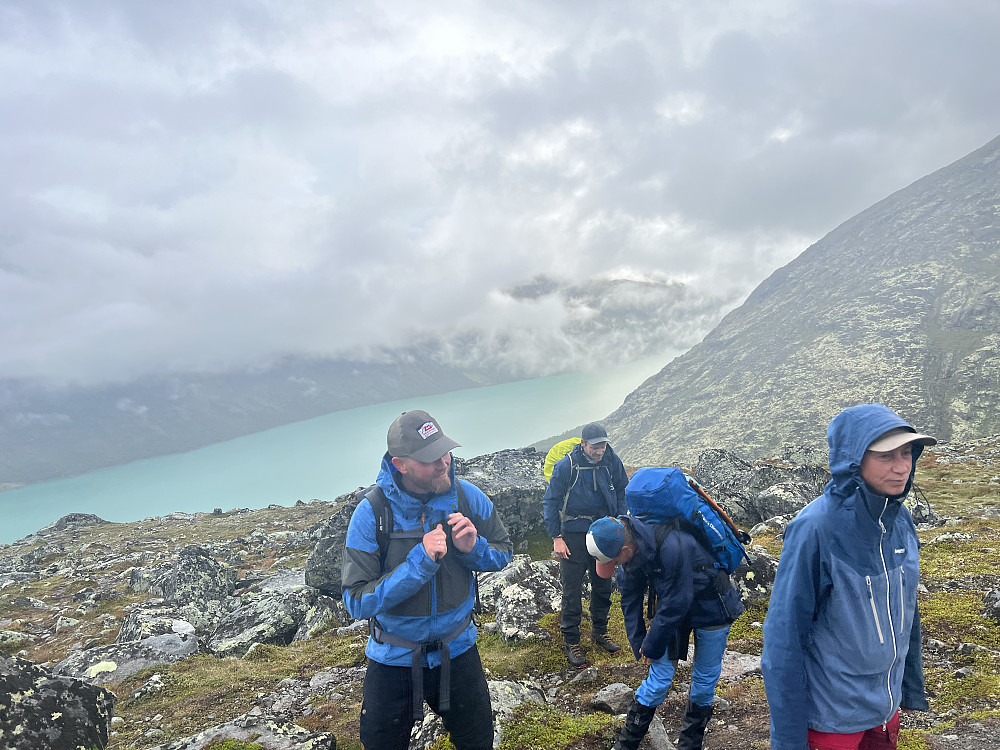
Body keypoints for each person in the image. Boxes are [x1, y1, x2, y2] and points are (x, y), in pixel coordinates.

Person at [761, 404, 934, 750]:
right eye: (886, 456)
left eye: (907, 452)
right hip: (832, 719)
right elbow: (783, 639)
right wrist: (788, 740)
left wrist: (909, 689)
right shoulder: (816, 529)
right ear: (855, 459)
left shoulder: (899, 521)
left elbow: (906, 613)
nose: (902, 467)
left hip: (885, 711)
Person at [341, 409, 513, 750]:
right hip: (394, 657)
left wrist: (471, 548)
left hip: (458, 651)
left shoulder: (467, 497)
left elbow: (503, 550)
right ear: (400, 464)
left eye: (444, 451)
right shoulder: (372, 513)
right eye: (429, 458)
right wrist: (419, 562)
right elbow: (356, 600)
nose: (443, 463)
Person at [586, 512, 745, 750]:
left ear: (626, 550)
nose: (615, 566)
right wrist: (640, 643)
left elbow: (677, 602)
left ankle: (689, 746)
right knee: (658, 680)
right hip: (671, 612)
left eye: (614, 561)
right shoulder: (629, 554)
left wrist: (652, 645)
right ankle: (625, 746)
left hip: (712, 606)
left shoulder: (672, 546)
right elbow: (630, 600)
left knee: (703, 681)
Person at [543, 422, 629, 667]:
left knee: (602, 584)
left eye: (603, 445)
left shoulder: (612, 461)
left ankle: (600, 632)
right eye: (595, 446)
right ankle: (572, 640)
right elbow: (550, 501)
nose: (600, 450)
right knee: (572, 589)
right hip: (574, 534)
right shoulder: (567, 466)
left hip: (605, 532)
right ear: (583, 444)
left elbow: (622, 490)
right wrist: (556, 537)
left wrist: (621, 521)